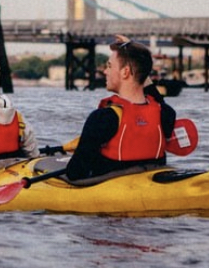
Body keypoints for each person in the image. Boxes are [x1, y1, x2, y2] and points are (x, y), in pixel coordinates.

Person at [64, 35, 177, 181]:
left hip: (112, 190)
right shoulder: (166, 114)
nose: (105, 71)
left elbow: (75, 173)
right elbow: (156, 98)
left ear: (125, 72)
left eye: (109, 66)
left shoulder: (103, 118)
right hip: (149, 186)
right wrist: (136, 57)